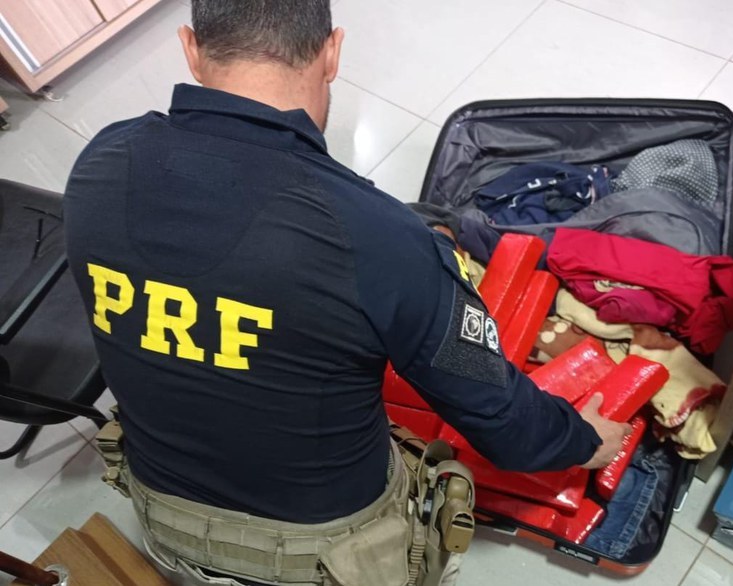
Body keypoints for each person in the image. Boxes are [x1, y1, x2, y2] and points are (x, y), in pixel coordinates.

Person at [63, 1, 631, 584]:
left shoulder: (99, 163)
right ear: (332, 52)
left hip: (162, 522)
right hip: (324, 557)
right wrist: (586, 439)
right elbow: (504, 424)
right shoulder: (379, 239)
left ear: (189, 47)